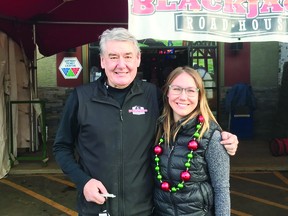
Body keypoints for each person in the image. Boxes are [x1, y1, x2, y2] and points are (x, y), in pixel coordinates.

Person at [53, 27, 238, 216]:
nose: (121, 64)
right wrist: (83, 181)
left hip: (144, 210)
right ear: (102, 61)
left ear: (138, 59)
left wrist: (220, 134)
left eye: (127, 56)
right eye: (113, 57)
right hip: (96, 208)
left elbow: (186, 115)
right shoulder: (81, 98)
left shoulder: (152, 95)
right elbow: (61, 147)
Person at [153, 66, 230, 215]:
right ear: (167, 92)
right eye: (176, 89)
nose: (183, 97)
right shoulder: (158, 130)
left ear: (199, 95)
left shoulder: (212, 137)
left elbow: (221, 190)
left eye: (190, 90)